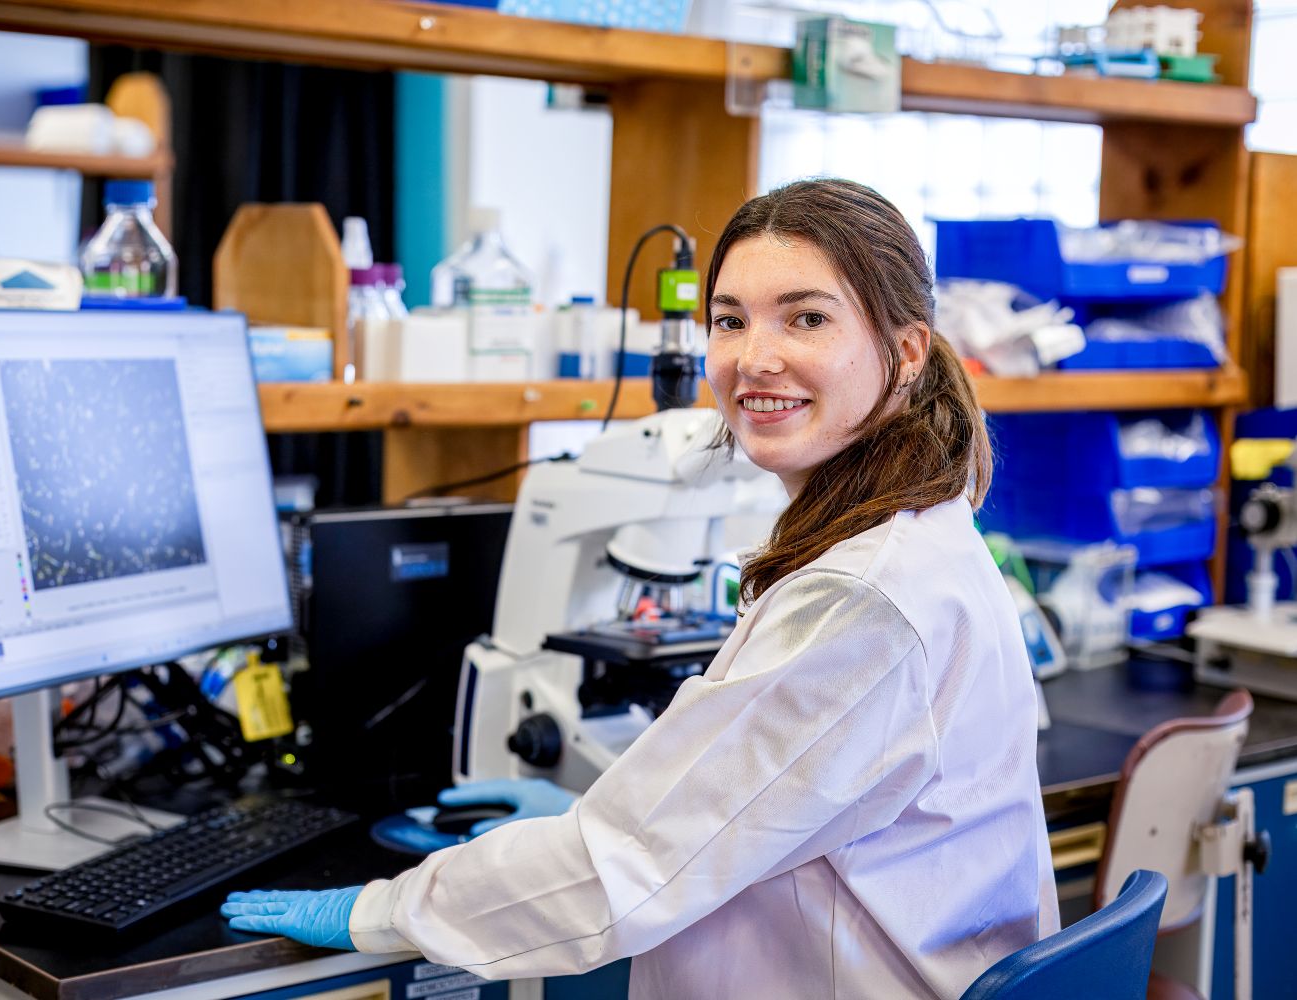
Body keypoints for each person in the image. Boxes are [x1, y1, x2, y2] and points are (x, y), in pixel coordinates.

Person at [222, 179, 1060, 998]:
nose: (754, 360)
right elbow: (757, 803)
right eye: (729, 321)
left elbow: (617, 875)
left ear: (906, 350)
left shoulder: (862, 598)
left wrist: (385, 909)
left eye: (806, 317)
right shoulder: (921, 536)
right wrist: (601, 808)